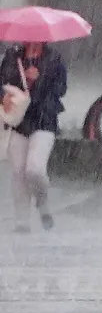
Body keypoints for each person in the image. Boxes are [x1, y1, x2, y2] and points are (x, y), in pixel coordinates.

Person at [1, 41, 67, 233]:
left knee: (35, 169)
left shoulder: (54, 58)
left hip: (44, 120)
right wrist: (4, 95)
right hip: (18, 120)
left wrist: (38, 80)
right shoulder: (12, 56)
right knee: (18, 172)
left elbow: (61, 88)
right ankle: (22, 222)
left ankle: (43, 203)